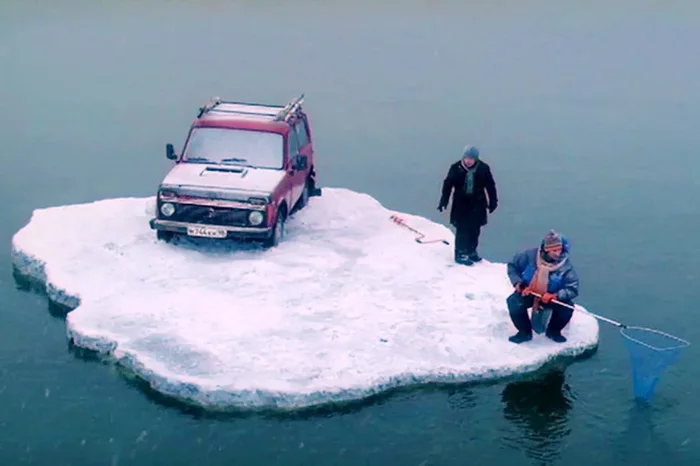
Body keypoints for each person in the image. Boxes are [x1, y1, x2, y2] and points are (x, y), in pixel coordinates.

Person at [505, 229, 579, 344]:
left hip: (550, 297)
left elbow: (572, 288)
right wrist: (518, 284)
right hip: (529, 291)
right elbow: (513, 267)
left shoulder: (566, 266)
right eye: (554, 250)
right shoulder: (529, 255)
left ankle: (554, 331)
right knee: (513, 302)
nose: (557, 253)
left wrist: (556, 295)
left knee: (567, 308)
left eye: (559, 250)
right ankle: (524, 332)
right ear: (546, 249)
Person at [438, 145, 498, 265]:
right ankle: (461, 254)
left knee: (475, 229)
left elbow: (490, 185)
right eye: (466, 158)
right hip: (461, 203)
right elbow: (448, 185)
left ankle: (471, 251)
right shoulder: (456, 168)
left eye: (471, 159)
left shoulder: (483, 168)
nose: (468, 161)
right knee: (462, 229)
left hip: (478, 203)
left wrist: (493, 202)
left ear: (476, 159)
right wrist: (443, 201)